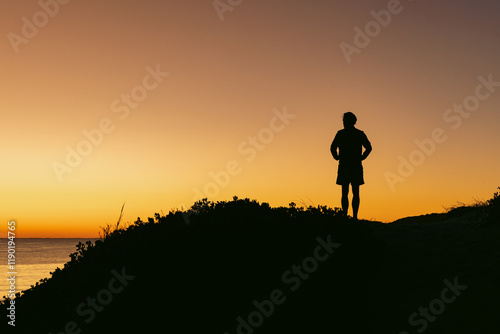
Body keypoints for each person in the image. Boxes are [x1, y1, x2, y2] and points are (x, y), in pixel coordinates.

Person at [330, 112, 372, 220]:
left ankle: (350, 216)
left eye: (345, 121)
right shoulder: (357, 134)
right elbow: (369, 147)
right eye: (343, 121)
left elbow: (333, 147)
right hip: (352, 165)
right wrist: (362, 157)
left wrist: (336, 156)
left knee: (348, 192)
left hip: (348, 166)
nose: (343, 122)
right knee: (352, 192)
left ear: (350, 121)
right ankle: (352, 216)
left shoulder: (342, 134)